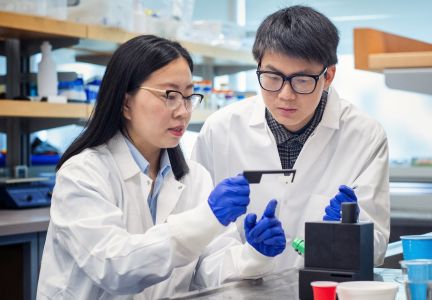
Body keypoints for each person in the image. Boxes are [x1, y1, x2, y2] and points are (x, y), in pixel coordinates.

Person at [37, 35, 286, 299]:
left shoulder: (195, 177)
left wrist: (255, 255)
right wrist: (206, 218)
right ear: (125, 103)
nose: (183, 111)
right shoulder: (82, 174)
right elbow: (115, 267)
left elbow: (208, 270)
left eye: (189, 96)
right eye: (169, 95)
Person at [192, 5, 390, 272]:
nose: (285, 94)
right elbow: (198, 244)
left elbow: (376, 247)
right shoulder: (220, 130)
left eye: (301, 80)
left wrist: (351, 233)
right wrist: (247, 258)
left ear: (328, 75)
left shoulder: (364, 135)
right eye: (272, 77)